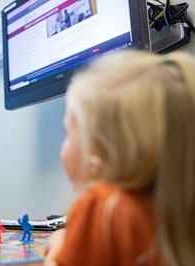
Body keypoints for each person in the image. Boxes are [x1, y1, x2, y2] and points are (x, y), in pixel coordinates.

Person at [45, 50, 195, 265]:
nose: (64, 142)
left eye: (66, 133)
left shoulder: (102, 207)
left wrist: (59, 250)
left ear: (97, 152)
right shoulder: (175, 213)